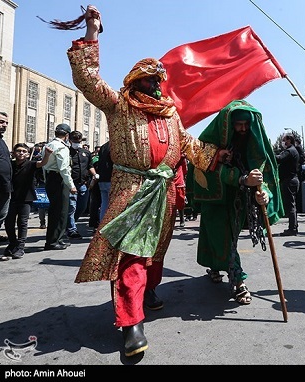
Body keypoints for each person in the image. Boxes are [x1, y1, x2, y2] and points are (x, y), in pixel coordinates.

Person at [68, 5, 227, 358]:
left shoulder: (170, 113)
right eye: (149, 79)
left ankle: (149, 292)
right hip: (133, 189)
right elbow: (88, 81)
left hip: (165, 192)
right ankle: (131, 322)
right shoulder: (118, 105)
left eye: (159, 80)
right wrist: (92, 32)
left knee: (156, 252)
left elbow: (189, 144)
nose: (156, 85)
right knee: (132, 257)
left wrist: (221, 155)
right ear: (134, 80)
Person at [187, 100, 282, 305]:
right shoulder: (208, 143)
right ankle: (239, 281)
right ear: (229, 124)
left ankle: (215, 266)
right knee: (223, 240)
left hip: (238, 201)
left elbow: (262, 173)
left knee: (228, 240)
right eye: (238, 124)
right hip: (214, 201)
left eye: (246, 125)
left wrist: (264, 194)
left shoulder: (253, 142)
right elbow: (203, 169)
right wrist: (240, 178)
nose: (243, 129)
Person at [0, 144, 52, 260]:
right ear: (13, 153)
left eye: (24, 151)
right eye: (18, 151)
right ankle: (12, 243)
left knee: (22, 223)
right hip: (11, 197)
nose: (21, 153)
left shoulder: (31, 164)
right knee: (9, 222)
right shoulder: (10, 165)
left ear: (28, 154)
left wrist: (47, 154)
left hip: (26, 198)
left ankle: (20, 247)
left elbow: (42, 163)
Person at [42, 123, 78, 251]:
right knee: (60, 212)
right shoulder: (62, 148)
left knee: (56, 210)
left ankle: (58, 238)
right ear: (67, 135)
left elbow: (44, 166)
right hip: (59, 180)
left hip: (51, 178)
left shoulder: (49, 145)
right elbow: (64, 169)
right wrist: (71, 185)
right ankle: (53, 241)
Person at [65, 130, 96, 239]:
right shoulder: (66, 152)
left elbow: (90, 166)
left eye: (79, 141)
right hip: (71, 183)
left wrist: (95, 175)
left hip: (83, 184)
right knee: (71, 207)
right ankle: (72, 229)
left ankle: (69, 224)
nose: (77, 143)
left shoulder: (86, 153)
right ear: (70, 140)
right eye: (75, 141)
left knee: (82, 207)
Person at [276, 132, 300, 236]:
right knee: (291, 204)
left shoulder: (290, 151)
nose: (283, 142)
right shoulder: (293, 150)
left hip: (289, 180)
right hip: (291, 180)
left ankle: (292, 228)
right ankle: (293, 227)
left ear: (289, 140)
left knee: (290, 205)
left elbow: (279, 158)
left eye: (285, 140)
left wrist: (268, 153)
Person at [0, 111, 12, 243]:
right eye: (1, 122)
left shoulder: (1, 141)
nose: (4, 125)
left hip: (5, 186)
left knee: (2, 214)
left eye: (6, 123)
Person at [96, 140, 112, 223]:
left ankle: (102, 224)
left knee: (104, 204)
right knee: (111, 205)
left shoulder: (103, 146)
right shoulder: (114, 146)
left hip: (102, 178)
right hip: (111, 178)